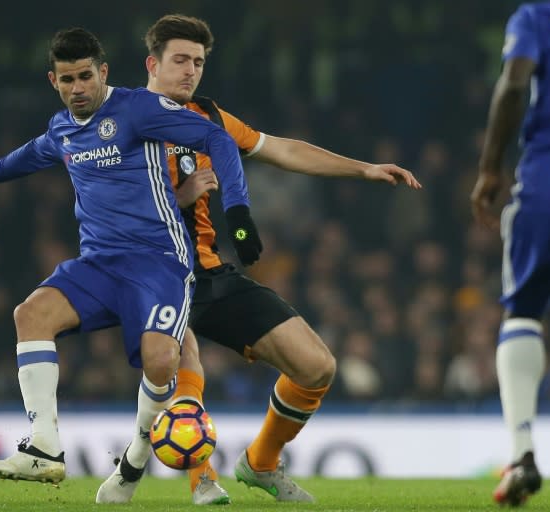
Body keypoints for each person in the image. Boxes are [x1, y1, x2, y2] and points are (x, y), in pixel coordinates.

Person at [99, 14, 421, 506]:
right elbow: (98, 200)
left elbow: (283, 149)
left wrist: (363, 168)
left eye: (199, 62)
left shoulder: (208, 119)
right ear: (152, 63)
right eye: (180, 60)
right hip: (149, 274)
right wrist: (176, 198)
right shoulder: (116, 120)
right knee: (184, 359)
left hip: (210, 271)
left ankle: (261, 463)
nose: (190, 71)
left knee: (316, 366)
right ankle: (198, 479)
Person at [0, 27, 262, 496]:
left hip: (159, 262)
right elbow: (24, 158)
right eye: (67, 80)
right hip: (100, 265)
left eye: (85, 76)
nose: (77, 89)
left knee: (160, 362)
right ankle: (43, 448)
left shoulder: (138, 109)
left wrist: (240, 214)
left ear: (103, 72)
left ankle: (130, 464)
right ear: (53, 80)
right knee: (30, 315)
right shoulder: (62, 128)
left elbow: (219, 140)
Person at [470, 1, 550, 507]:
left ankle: (523, 454)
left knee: (525, 312)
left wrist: (491, 167)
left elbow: (515, 83)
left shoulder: (539, 16)